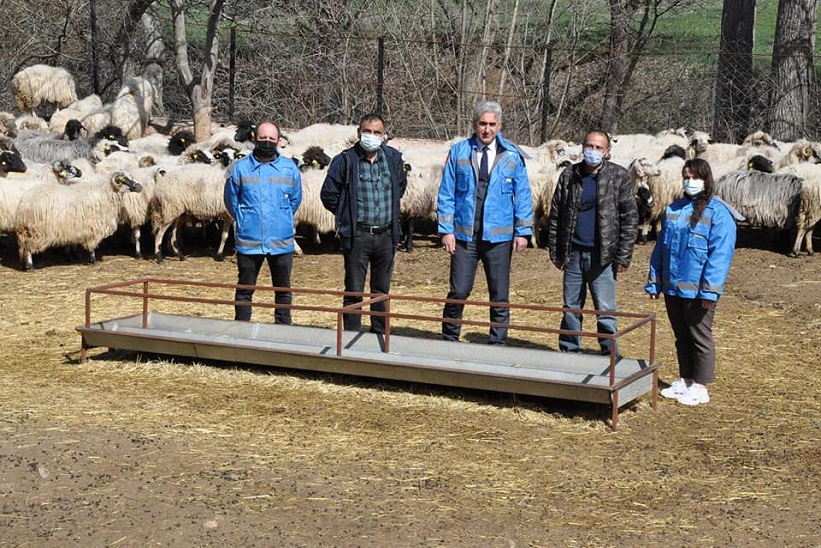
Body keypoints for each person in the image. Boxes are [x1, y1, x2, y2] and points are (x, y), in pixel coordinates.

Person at [438, 100, 533, 345]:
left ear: (499, 125)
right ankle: (449, 339)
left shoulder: (512, 155)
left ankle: (498, 344)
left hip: (498, 239)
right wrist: (446, 231)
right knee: (459, 290)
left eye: (492, 124)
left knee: (499, 295)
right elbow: (447, 193)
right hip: (464, 236)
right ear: (475, 124)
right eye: (482, 124)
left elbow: (523, 195)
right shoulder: (459, 151)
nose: (487, 130)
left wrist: (523, 232)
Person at [645, 158, 737, 406]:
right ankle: (685, 379)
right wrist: (654, 282)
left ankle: (701, 385)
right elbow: (661, 249)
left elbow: (720, 255)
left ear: (706, 180)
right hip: (674, 287)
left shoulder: (719, 214)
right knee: (681, 335)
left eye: (695, 177)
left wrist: (710, 291)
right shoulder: (674, 209)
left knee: (699, 335)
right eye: (686, 176)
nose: (690, 181)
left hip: (698, 291)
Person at [546, 129, 638, 355]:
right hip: (573, 253)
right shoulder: (569, 175)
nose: (593, 151)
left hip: (603, 256)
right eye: (589, 146)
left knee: (605, 310)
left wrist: (623, 256)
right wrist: (556, 250)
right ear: (582, 147)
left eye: (598, 148)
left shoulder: (619, 177)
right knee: (570, 307)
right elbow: (556, 214)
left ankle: (609, 355)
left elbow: (629, 219)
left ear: (607, 152)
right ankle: (570, 352)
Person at [320, 113, 407, 334]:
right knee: (354, 289)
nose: (372, 136)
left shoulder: (393, 158)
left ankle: (379, 335)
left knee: (381, 290)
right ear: (359, 133)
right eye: (367, 132)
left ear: (383, 135)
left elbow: (401, 187)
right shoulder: (346, 161)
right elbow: (328, 194)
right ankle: (351, 336)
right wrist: (345, 215)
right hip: (358, 235)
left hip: (386, 235)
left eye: (377, 132)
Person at [224, 121, 302, 324]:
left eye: (271, 139)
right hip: (249, 242)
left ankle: (283, 331)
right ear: (254, 139)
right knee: (245, 290)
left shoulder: (289, 168)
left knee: (283, 291)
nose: (267, 142)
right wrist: (245, 220)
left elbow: (295, 199)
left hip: (281, 242)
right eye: (263, 138)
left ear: (278, 141)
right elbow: (231, 200)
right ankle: (242, 332)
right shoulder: (240, 169)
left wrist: (280, 217)